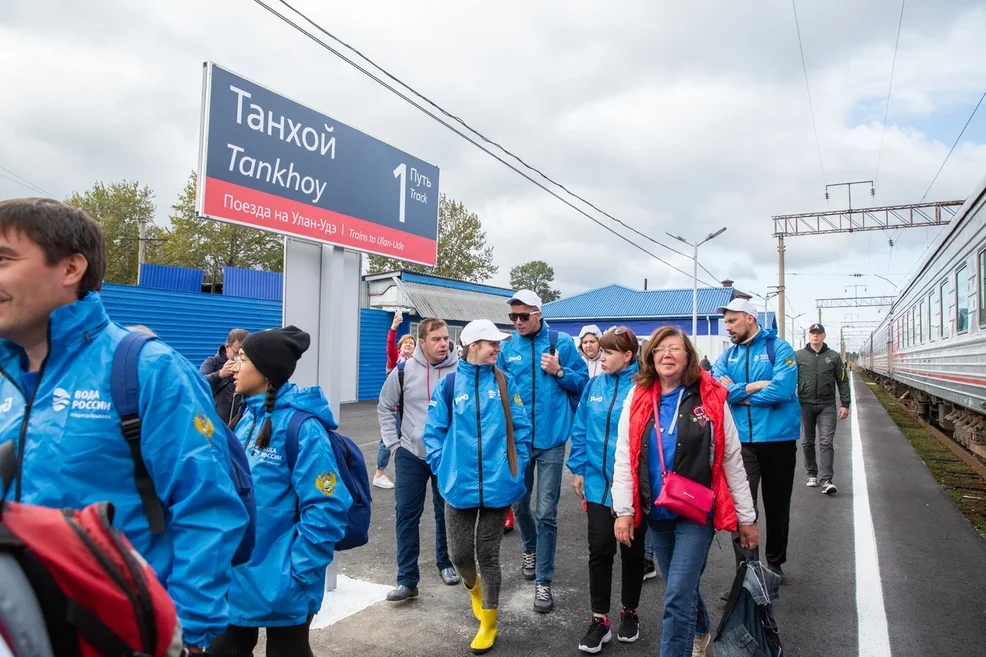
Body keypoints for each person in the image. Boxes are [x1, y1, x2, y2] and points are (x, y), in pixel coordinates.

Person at [0, 198, 250, 653]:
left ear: (71, 267)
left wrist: (182, 638)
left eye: (3, 259)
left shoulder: (147, 370)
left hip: (118, 637)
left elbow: (208, 509)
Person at [612, 327, 758, 657]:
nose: (667, 354)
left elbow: (732, 457)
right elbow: (624, 454)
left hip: (696, 512)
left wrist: (747, 518)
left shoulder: (709, 396)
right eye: (659, 348)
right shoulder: (637, 398)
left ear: (688, 356)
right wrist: (624, 511)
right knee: (683, 587)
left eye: (675, 348)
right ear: (649, 357)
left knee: (677, 593)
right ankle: (702, 628)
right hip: (657, 512)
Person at [210, 326, 353, 657]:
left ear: (265, 370)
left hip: (283, 583)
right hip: (237, 579)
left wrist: (298, 573)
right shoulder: (246, 417)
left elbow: (326, 509)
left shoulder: (303, 429)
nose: (234, 365)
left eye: (242, 359)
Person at [423, 319, 532, 654]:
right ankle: (474, 589)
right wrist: (444, 467)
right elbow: (433, 432)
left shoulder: (505, 381)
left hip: (499, 485)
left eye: (498, 344)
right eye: (492, 344)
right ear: (472, 346)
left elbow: (522, 428)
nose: (498, 349)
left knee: (488, 554)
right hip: (459, 486)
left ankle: (489, 621)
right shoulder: (449, 384)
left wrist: (518, 466)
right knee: (458, 555)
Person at [497, 289, 589, 612]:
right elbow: (496, 390)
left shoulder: (561, 343)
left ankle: (543, 581)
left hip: (551, 442)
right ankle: (530, 547)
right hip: (519, 443)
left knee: (546, 512)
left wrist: (559, 372)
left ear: (539, 313)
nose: (518, 322)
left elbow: (583, 382)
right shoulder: (507, 350)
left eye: (523, 316)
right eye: (513, 317)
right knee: (519, 505)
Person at [567, 327, 646, 652]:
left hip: (632, 487)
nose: (602, 356)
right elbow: (582, 426)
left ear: (628, 356)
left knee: (632, 551)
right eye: (601, 351)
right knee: (600, 549)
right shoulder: (594, 385)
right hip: (597, 484)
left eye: (610, 352)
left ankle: (630, 611)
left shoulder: (644, 387)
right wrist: (578, 468)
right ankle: (600, 619)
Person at [712, 298, 800, 580]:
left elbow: (782, 390)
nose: (728, 327)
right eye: (726, 322)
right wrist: (751, 388)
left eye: (732, 321)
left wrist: (740, 396)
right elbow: (718, 391)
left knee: (777, 506)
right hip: (742, 442)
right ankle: (747, 573)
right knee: (743, 507)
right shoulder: (727, 356)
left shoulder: (779, 349)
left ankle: (774, 565)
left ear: (750, 318)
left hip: (778, 441)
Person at [377, 317, 461, 602]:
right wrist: (393, 445)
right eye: (436, 339)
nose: (442, 343)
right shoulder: (403, 371)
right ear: (421, 342)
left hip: (447, 455)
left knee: (446, 514)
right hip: (410, 455)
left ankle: (446, 563)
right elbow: (385, 407)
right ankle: (407, 580)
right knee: (406, 516)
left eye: (445, 338)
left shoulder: (460, 370)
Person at [796, 323, 850, 495]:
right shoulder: (799, 356)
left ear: (824, 336)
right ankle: (812, 474)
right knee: (807, 441)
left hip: (827, 405)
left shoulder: (833, 357)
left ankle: (826, 480)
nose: (815, 336)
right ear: (809, 336)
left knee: (826, 442)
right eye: (812, 333)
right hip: (805, 404)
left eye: (818, 333)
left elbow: (842, 381)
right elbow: (789, 380)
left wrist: (845, 404)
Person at [200, 328, 249, 423]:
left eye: (243, 354)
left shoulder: (247, 367)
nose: (239, 358)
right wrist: (220, 374)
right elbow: (198, 383)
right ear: (227, 347)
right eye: (236, 353)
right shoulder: (212, 363)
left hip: (237, 424)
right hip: (214, 424)